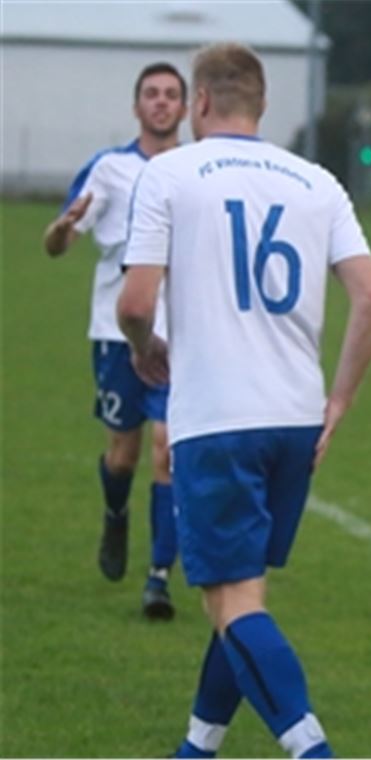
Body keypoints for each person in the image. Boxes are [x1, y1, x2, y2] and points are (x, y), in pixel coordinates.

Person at [117, 42, 371, 758]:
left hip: (218, 420)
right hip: (296, 419)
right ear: (262, 105)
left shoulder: (170, 172)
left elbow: (136, 300)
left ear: (199, 102)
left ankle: (312, 750)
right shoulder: (318, 181)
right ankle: (196, 748)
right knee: (244, 597)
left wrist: (145, 347)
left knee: (231, 604)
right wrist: (340, 400)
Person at [42, 62, 187, 619]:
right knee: (123, 453)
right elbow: (58, 243)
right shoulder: (109, 169)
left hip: (180, 335)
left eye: (171, 94)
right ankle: (116, 513)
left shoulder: (196, 170)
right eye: (151, 94)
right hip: (115, 330)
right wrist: (60, 228)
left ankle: (158, 579)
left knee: (167, 450)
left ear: (184, 106)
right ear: (136, 107)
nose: (161, 103)